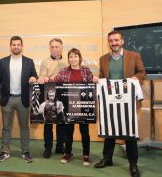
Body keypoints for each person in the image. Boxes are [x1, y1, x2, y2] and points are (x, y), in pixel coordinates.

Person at [93, 31, 146, 177]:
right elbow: (103, 79)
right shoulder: (103, 59)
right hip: (110, 102)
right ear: (108, 43)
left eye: (116, 40)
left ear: (122, 41)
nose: (114, 43)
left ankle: (133, 164)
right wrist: (99, 81)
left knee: (129, 134)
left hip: (127, 102)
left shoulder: (134, 56)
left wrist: (135, 78)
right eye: (111, 41)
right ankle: (107, 159)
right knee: (109, 131)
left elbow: (142, 73)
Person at [0, 36, 38, 163]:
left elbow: (34, 75)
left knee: (24, 127)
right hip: (7, 99)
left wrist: (33, 78)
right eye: (13, 44)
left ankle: (25, 151)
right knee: (6, 127)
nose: (16, 47)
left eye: (18, 44)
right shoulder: (2, 61)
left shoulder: (29, 61)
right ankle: (5, 151)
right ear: (10, 46)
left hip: (23, 99)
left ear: (22, 46)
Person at [52, 48, 94, 166]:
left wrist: (95, 79)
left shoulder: (86, 71)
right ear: (68, 58)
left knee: (84, 132)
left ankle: (86, 155)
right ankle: (68, 153)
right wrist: (45, 80)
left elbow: (92, 85)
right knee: (68, 132)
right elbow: (54, 82)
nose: (73, 59)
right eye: (71, 57)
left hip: (83, 106)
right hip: (68, 107)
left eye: (75, 56)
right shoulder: (64, 71)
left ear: (79, 58)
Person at [37, 38, 67, 158]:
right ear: (50, 48)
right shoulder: (45, 62)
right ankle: (48, 148)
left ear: (61, 48)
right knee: (48, 124)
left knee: (62, 122)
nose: (54, 49)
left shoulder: (68, 60)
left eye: (57, 47)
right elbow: (42, 75)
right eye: (52, 47)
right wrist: (43, 78)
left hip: (64, 94)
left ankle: (60, 146)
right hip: (49, 94)